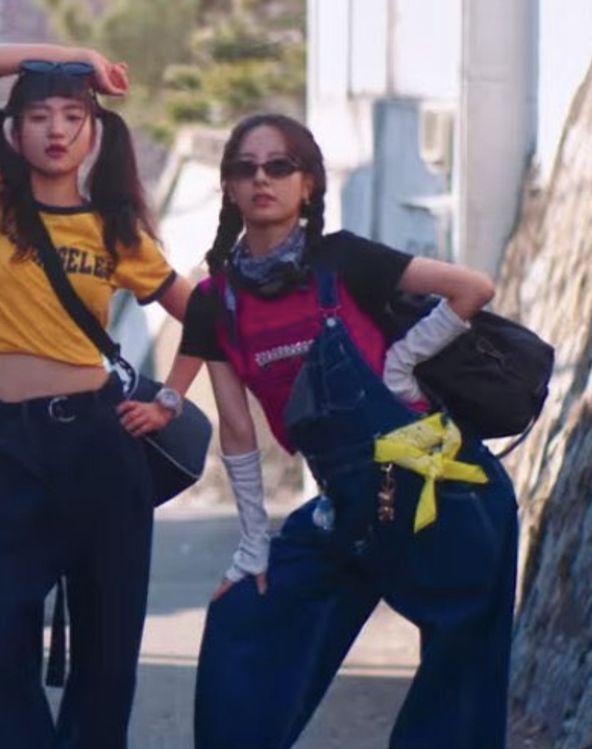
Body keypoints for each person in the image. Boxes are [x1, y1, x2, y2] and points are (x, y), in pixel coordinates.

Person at [120, 113, 519, 749]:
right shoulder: (214, 302)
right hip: (352, 502)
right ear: (227, 187)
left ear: (307, 184)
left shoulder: (346, 260)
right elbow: (237, 431)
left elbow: (472, 289)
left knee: (460, 675)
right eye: (245, 168)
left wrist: (401, 361)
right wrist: (253, 545)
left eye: (279, 166)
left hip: (441, 478)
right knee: (243, 620)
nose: (262, 179)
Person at [0, 43, 192, 748]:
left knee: (107, 658)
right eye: (39, 116)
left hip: (101, 445)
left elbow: (204, 314)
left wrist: (172, 397)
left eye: (72, 115)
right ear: (15, 132)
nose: (56, 130)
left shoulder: (117, 231)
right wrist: (80, 57)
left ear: (95, 131)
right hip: (9, 451)